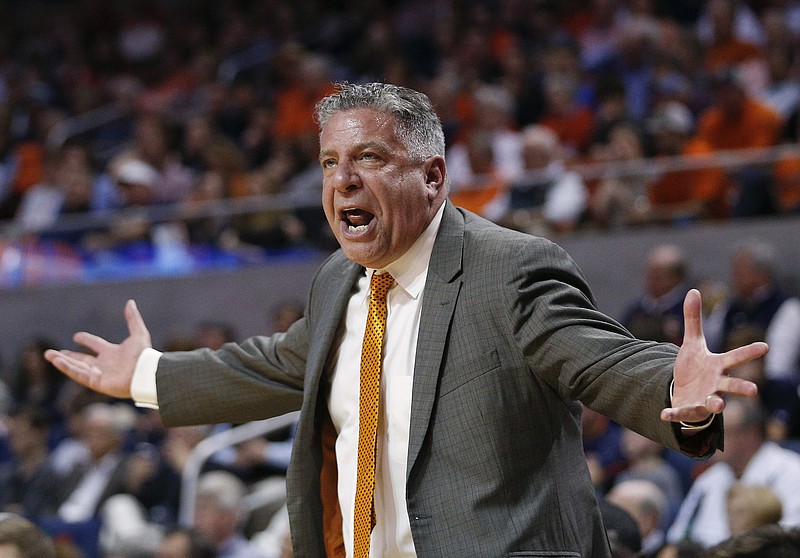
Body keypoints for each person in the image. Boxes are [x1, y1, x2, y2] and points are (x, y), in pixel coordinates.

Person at [44, 82, 768, 558]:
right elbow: (274, 364)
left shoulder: (507, 267)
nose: (342, 182)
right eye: (329, 163)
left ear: (433, 177)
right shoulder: (338, 279)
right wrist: (141, 374)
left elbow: (596, 358)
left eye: (368, 158)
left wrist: (674, 390)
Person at [666, 396, 800, 547]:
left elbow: (789, 539)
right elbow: (677, 537)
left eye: (720, 433)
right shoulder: (709, 479)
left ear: (751, 434)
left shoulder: (791, 471)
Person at [620, 244, 692, 346]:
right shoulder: (636, 310)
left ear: (677, 278)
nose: (651, 282)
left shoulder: (689, 307)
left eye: (658, 277)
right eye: (649, 276)